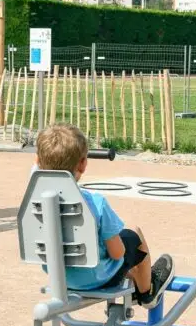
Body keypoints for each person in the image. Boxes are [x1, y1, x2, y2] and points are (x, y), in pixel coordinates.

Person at [34, 124, 175, 308]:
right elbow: (117, 253)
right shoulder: (95, 203)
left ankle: (135, 279)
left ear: (37, 160)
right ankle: (147, 292)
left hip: (59, 279)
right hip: (98, 280)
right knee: (133, 232)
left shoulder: (36, 202)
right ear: (83, 164)